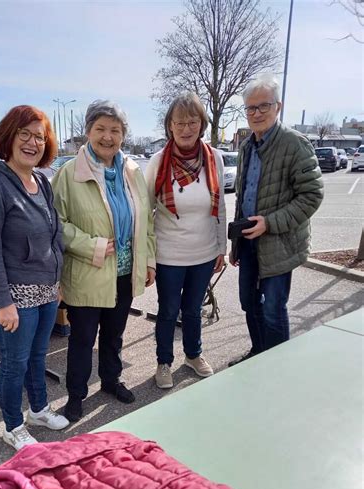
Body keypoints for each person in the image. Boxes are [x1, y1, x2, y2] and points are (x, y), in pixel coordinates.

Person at [51, 100, 156, 423]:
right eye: (101, 129)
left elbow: (147, 220)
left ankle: (111, 381)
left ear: (124, 135)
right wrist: (90, 245)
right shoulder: (69, 174)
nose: (108, 137)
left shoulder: (132, 171)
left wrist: (148, 260)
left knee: (114, 334)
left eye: (115, 130)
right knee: (82, 339)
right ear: (87, 132)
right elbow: (56, 223)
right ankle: (76, 396)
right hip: (87, 271)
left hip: (125, 271)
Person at [0, 105, 69, 450]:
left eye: (39, 137)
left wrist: (56, 282)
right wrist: (3, 302)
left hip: (44, 289)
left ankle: (39, 410)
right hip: (14, 294)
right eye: (24, 134)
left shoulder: (41, 181)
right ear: (9, 138)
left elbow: (53, 232)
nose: (32, 143)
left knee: (38, 356)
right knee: (15, 362)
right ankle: (12, 425)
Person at [228, 75, 323, 366]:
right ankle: (259, 356)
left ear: (278, 106)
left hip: (278, 243)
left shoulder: (295, 144)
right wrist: (236, 242)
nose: (256, 113)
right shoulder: (246, 147)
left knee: (272, 308)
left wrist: (269, 222)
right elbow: (243, 197)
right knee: (248, 303)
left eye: (263, 106)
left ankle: (277, 370)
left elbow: (311, 195)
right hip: (248, 242)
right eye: (250, 108)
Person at [145, 92, 226, 389]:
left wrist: (221, 247)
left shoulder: (213, 157)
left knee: (193, 309)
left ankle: (193, 355)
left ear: (201, 124)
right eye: (179, 123)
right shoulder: (157, 162)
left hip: (204, 253)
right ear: (170, 126)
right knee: (168, 311)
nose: (186, 128)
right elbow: (146, 212)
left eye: (192, 122)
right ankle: (163, 362)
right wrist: (148, 258)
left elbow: (220, 205)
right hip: (169, 255)